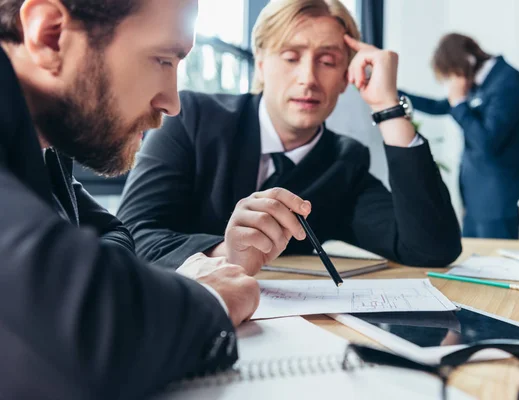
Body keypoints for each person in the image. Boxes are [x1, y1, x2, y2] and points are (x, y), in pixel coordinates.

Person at [0, 0, 310, 397]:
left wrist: (105, 276)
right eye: (163, 59)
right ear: (51, 35)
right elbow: (89, 334)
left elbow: (111, 231)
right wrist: (210, 299)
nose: (172, 102)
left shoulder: (43, 139)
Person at [117, 0, 463, 276]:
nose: (307, 78)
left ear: (347, 77)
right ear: (262, 64)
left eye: (327, 61)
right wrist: (227, 253)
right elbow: (131, 237)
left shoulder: (344, 161)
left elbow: (430, 248)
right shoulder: (191, 118)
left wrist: (389, 107)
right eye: (291, 57)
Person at [398, 33, 519, 239]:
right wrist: (391, 92)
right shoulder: (479, 85)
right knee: (472, 266)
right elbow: (438, 106)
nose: (451, 83)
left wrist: (460, 104)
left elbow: (486, 142)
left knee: (495, 269)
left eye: (451, 75)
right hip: (475, 203)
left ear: (465, 63)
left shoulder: (507, 83)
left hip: (499, 203)